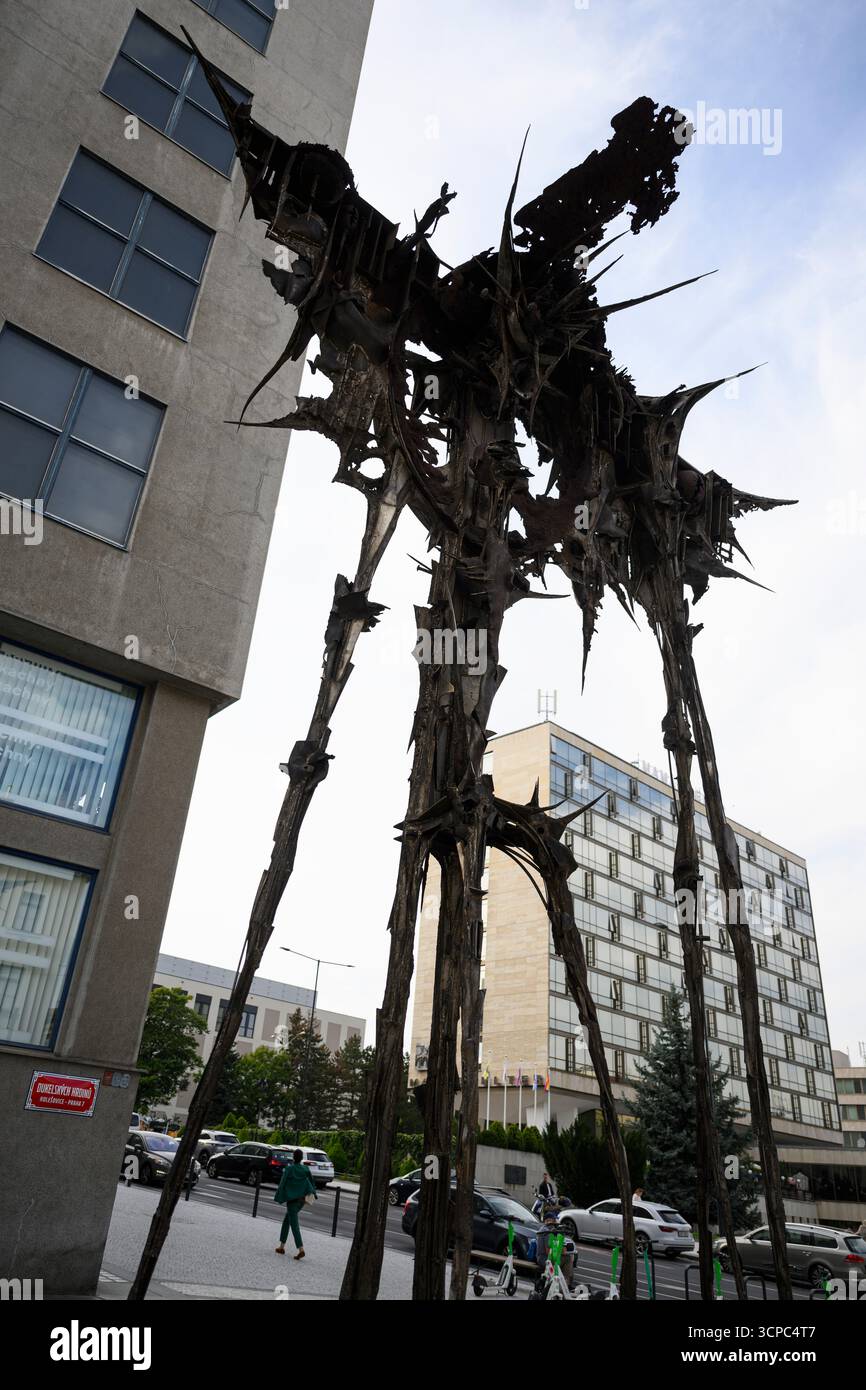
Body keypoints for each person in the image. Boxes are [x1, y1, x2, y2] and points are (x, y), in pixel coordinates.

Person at [274, 1149, 317, 1259]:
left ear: (293, 1157)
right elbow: (312, 1182)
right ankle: (281, 1246)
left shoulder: (289, 1169)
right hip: (302, 1200)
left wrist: (278, 1196)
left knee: (294, 1225)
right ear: (301, 1158)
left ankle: (301, 1249)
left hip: (292, 1200)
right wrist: (314, 1194)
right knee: (286, 1220)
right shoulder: (305, 1169)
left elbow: (282, 1183)